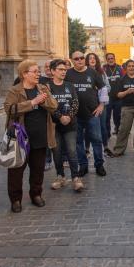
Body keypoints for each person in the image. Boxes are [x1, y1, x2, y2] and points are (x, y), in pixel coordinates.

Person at [3, 60, 58, 213]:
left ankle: (36, 194)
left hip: (40, 135)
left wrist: (44, 100)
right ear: (24, 74)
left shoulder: (42, 88)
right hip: (20, 137)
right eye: (34, 71)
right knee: (16, 170)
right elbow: (10, 109)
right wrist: (32, 102)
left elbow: (54, 106)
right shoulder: (15, 91)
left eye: (38, 71)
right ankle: (15, 200)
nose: (38, 74)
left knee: (38, 169)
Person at [66, 51, 107, 177]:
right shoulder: (68, 74)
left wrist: (101, 105)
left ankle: (99, 165)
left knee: (97, 140)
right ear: (72, 60)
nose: (79, 60)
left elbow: (103, 88)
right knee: (78, 142)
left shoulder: (92, 72)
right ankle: (83, 166)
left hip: (92, 114)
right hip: (75, 115)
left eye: (82, 58)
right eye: (76, 58)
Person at [47, 59, 83, 192]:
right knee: (56, 152)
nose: (63, 72)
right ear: (52, 71)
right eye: (60, 70)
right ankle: (60, 176)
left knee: (72, 151)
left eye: (64, 70)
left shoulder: (70, 85)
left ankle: (76, 178)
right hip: (54, 125)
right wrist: (60, 116)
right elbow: (48, 105)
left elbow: (75, 102)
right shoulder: (47, 87)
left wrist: (68, 116)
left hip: (70, 125)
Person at [111, 59, 134, 157]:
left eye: (133, 66)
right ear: (126, 68)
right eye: (129, 66)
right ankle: (119, 150)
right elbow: (118, 95)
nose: (131, 68)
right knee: (124, 129)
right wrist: (127, 92)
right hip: (127, 108)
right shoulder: (121, 80)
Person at [102, 53, 124, 141]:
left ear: (114, 59)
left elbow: (123, 80)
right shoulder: (103, 69)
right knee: (106, 117)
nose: (110, 60)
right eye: (109, 58)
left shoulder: (120, 68)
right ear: (106, 60)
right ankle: (107, 133)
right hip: (108, 98)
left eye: (112, 58)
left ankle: (118, 131)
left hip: (118, 98)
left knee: (118, 117)